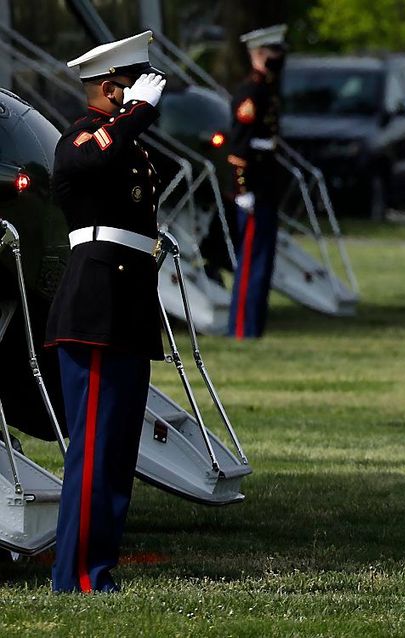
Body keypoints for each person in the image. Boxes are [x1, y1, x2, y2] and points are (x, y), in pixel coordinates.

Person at [44, 31, 166, 593]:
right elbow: (95, 159)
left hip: (129, 308)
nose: (139, 91)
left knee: (117, 451)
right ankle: (77, 576)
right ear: (109, 88)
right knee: (92, 450)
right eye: (130, 83)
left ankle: (101, 566)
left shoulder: (126, 144)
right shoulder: (79, 139)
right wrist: (137, 111)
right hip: (94, 308)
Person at [227, 24, 287, 340]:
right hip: (253, 189)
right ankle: (242, 328)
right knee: (251, 263)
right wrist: (242, 189)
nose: (279, 57)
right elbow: (238, 148)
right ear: (260, 55)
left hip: (266, 188)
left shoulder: (267, 90)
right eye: (273, 52)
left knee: (263, 262)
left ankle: (254, 327)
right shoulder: (250, 93)